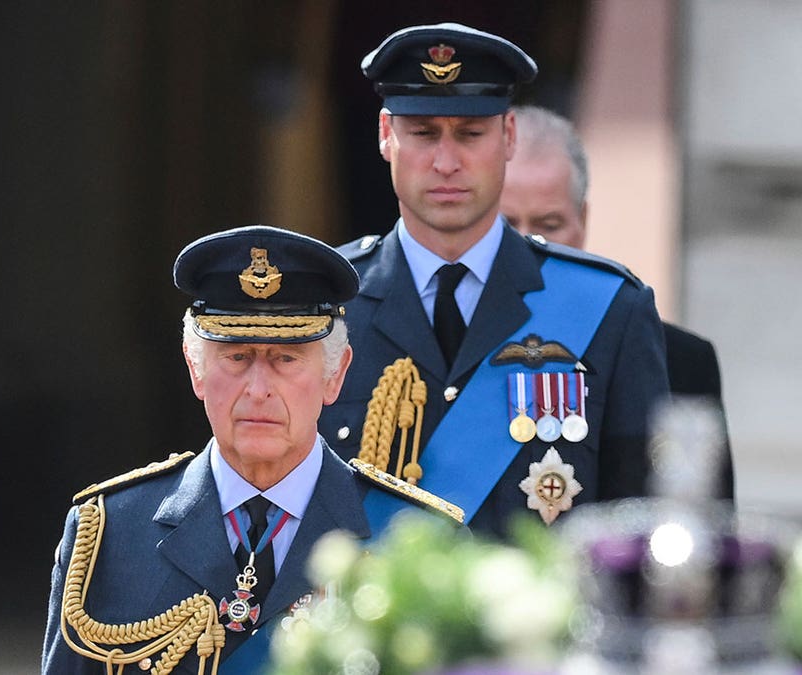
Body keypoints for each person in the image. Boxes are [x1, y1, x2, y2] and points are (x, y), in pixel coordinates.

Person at [42, 226, 460, 675]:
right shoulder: (109, 534)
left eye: (287, 359)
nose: (258, 390)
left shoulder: (417, 536)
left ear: (336, 374)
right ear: (195, 369)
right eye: (236, 357)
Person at [318, 23, 670, 539]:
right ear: (385, 135)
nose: (446, 161)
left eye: (469, 133)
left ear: (507, 136)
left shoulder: (609, 308)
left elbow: (640, 520)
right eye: (423, 133)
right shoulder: (322, 308)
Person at [500, 104, 735, 501]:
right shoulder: (440, 342)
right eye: (507, 226)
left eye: (549, 225)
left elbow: (706, 530)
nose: (531, 245)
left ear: (583, 220)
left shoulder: (680, 360)